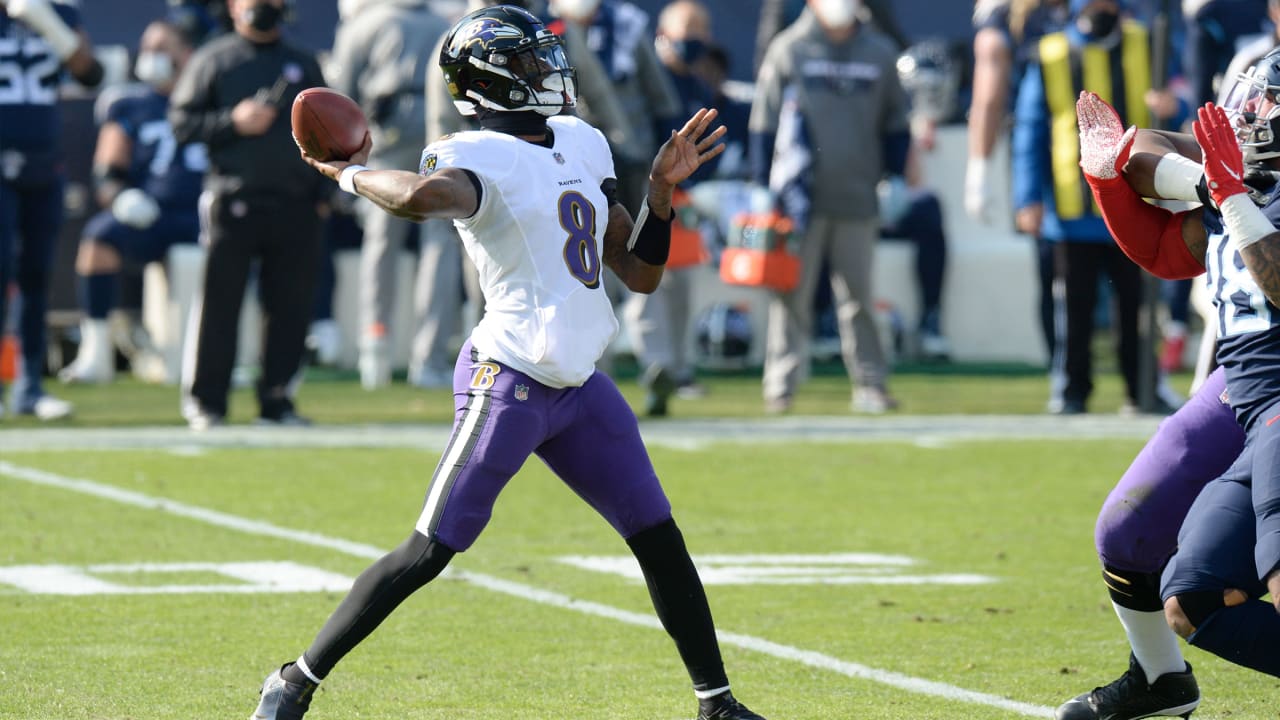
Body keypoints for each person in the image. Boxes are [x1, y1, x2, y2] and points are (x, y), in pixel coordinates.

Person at [248, 6, 766, 720]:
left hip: (581, 387)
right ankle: (295, 680)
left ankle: (717, 702)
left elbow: (638, 272)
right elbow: (426, 198)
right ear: (488, 82)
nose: (549, 70)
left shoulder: (583, 143)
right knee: (431, 548)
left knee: (658, 534)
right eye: (528, 63)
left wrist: (659, 195)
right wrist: (352, 174)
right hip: (511, 378)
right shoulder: (471, 154)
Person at [1064, 65, 1280, 708]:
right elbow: (1147, 174)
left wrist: (1234, 197)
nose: (1252, 120)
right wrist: (1108, 174)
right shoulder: (1240, 174)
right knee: (1132, 535)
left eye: (1265, 110)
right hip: (1244, 378)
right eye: (1254, 107)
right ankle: (1160, 679)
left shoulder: (1246, 191)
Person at [168, 0, 328, 429]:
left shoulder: (302, 61)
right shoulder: (213, 58)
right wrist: (232, 122)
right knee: (220, 305)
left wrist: (325, 191)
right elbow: (182, 123)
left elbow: (328, 126)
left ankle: (277, 399)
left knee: (290, 307)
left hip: (296, 201)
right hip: (232, 199)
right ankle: (207, 401)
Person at [751, 0, 909, 414]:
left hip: (858, 194)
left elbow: (896, 123)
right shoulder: (789, 48)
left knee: (859, 296)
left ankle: (870, 383)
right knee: (790, 295)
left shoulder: (879, 51)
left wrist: (894, 176)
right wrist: (760, 186)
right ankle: (781, 384)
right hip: (797, 200)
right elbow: (764, 122)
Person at [1013, 0, 1167, 415]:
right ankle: (1070, 388)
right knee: (1074, 308)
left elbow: (1178, 102)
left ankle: (1144, 386)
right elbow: (1030, 128)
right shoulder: (1050, 54)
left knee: (1135, 306)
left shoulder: (1147, 41)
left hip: (1136, 201)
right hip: (1072, 207)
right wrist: (1027, 197)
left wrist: (1174, 106)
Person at [58, 18, 207, 385]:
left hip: (205, 214)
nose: (151, 56)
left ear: (186, 55)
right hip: (152, 214)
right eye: (147, 48)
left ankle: (225, 355)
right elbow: (106, 173)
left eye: (161, 48)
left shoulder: (210, 97)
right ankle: (95, 353)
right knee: (98, 238)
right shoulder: (130, 104)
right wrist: (122, 198)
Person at [328, 0, 457, 389]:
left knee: (383, 242)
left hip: (386, 135)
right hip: (441, 133)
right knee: (440, 244)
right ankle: (429, 356)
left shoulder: (365, 24)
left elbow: (339, 96)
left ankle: (376, 345)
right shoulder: (445, 23)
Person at [0, 0, 103, 420]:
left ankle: (30, 387)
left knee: (38, 274)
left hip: (44, 161)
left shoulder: (59, 13)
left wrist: (47, 22)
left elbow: (90, 73)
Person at [623, 0, 715, 416]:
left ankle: (680, 368)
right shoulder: (649, 73)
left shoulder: (698, 84)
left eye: (697, 34)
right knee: (648, 279)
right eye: (684, 34)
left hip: (684, 194)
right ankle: (656, 365)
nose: (690, 44)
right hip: (645, 187)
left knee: (682, 283)